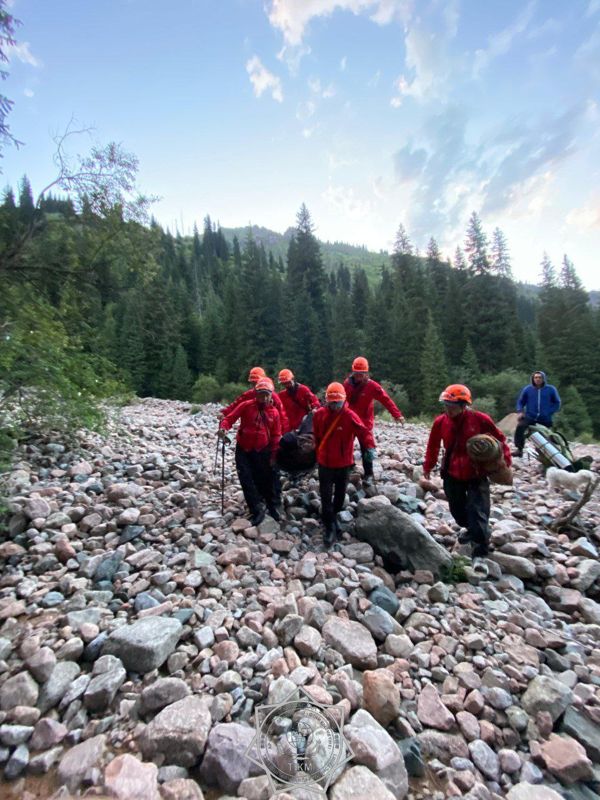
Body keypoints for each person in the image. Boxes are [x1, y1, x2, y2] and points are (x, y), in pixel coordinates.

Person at [423, 384, 511, 559]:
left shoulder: (480, 419)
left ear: (464, 405)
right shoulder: (440, 422)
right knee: (458, 512)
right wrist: (428, 466)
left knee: (478, 511)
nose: (448, 409)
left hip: (476, 473)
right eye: (446, 405)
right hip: (451, 472)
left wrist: (504, 463)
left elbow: (499, 440)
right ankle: (474, 529)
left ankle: (480, 554)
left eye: (452, 406)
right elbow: (433, 445)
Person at [313, 382, 375, 548]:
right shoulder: (319, 415)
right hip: (325, 463)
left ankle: (333, 517)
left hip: (343, 464)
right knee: (326, 496)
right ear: (326, 401)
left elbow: (364, 433)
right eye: (331, 402)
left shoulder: (350, 416)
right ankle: (329, 526)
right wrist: (316, 454)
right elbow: (317, 436)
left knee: (340, 496)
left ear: (343, 400)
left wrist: (369, 447)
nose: (334, 406)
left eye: (337, 402)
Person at [219, 377, 282, 526]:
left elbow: (276, 436)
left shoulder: (274, 413)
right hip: (244, 449)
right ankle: (256, 510)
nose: (264, 397)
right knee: (246, 480)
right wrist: (223, 428)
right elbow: (230, 419)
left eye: (267, 394)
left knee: (265, 480)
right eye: (261, 394)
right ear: (256, 393)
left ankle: (271, 506)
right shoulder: (246, 406)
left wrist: (274, 455)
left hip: (263, 450)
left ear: (271, 394)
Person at [343, 356, 405, 485]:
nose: (359, 376)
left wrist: (397, 414)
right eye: (357, 373)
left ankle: (369, 474)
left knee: (366, 447)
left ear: (367, 373)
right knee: (346, 443)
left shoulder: (372, 386)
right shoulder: (347, 384)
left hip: (365, 422)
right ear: (353, 372)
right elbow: (341, 401)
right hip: (349, 420)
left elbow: (386, 400)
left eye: (362, 373)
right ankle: (348, 466)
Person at [221, 368, 289, 432]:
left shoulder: (273, 396)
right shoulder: (250, 393)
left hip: (267, 432)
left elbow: (282, 416)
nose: (255, 385)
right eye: (253, 383)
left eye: (256, 382)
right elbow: (236, 404)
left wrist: (284, 434)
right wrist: (224, 413)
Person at [513, 370, 561, 457]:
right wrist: (520, 411)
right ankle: (519, 449)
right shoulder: (528, 389)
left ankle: (549, 454)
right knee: (520, 427)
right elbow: (520, 402)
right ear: (533, 379)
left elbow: (557, 403)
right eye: (536, 377)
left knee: (546, 436)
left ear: (543, 379)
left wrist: (549, 412)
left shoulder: (551, 389)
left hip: (545, 418)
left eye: (539, 377)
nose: (537, 379)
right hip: (530, 416)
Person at [277, 368, 320, 433]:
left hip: (304, 427)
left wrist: (314, 409)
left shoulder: (303, 390)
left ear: (292, 379)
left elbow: (315, 402)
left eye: (288, 382)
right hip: (290, 429)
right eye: (284, 383)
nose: (286, 385)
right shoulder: (281, 395)